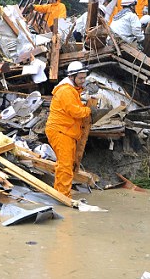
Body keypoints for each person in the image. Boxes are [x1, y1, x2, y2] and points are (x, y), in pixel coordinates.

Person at [45, 61, 92, 198]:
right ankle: (63, 197)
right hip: (60, 131)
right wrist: (89, 110)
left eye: (84, 78)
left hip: (66, 131)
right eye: (80, 78)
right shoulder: (66, 90)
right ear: (72, 77)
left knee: (65, 165)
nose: (83, 81)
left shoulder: (71, 89)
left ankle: (59, 194)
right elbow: (75, 111)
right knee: (65, 166)